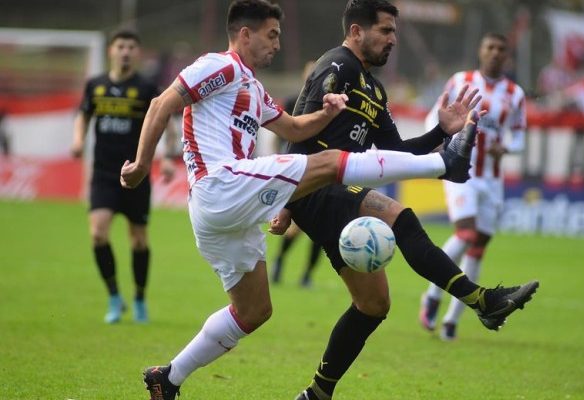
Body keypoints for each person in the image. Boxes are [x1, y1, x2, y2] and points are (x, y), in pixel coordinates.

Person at [120, 1, 492, 399]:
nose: (278, 45)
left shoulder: (254, 88)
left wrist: (326, 113)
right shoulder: (220, 65)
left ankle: (169, 378)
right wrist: (142, 164)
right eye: (272, 35)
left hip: (221, 214)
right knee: (330, 163)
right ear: (245, 34)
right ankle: (444, 165)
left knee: (254, 311)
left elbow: (295, 126)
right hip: (220, 184)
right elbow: (162, 103)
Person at [275, 2, 538, 399]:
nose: (393, 40)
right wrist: (286, 198)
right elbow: (298, 129)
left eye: (395, 32)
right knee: (401, 217)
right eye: (385, 31)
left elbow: (397, 150)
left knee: (374, 305)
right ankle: (482, 300)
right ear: (357, 31)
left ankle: (316, 393)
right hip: (318, 186)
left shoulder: (374, 89)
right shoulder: (337, 66)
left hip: (338, 189)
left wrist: (439, 131)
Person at [420, 33, 527, 341]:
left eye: (500, 50)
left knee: (477, 250)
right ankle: (432, 296)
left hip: (492, 179)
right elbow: (434, 114)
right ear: (480, 51)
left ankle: (452, 321)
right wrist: (435, 140)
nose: (495, 53)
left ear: (507, 56)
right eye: (490, 48)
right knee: (465, 234)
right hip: (460, 171)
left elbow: (519, 136)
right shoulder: (460, 80)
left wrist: (506, 148)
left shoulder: (515, 94)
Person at [71, 29, 177, 324]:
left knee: (139, 240)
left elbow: (165, 121)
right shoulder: (96, 85)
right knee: (97, 233)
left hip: (136, 174)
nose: (126, 51)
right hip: (104, 173)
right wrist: (78, 141)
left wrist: (167, 157)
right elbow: (83, 115)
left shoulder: (146, 87)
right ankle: (115, 297)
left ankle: (140, 298)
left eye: (131, 46)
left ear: (138, 52)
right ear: (111, 51)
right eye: (121, 46)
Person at [271, 60, 324, 287]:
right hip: (297, 169)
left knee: (321, 231)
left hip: (322, 170)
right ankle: (280, 261)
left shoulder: (328, 104)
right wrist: (277, 162)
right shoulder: (295, 101)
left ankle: (306, 275)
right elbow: (278, 136)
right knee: (297, 224)